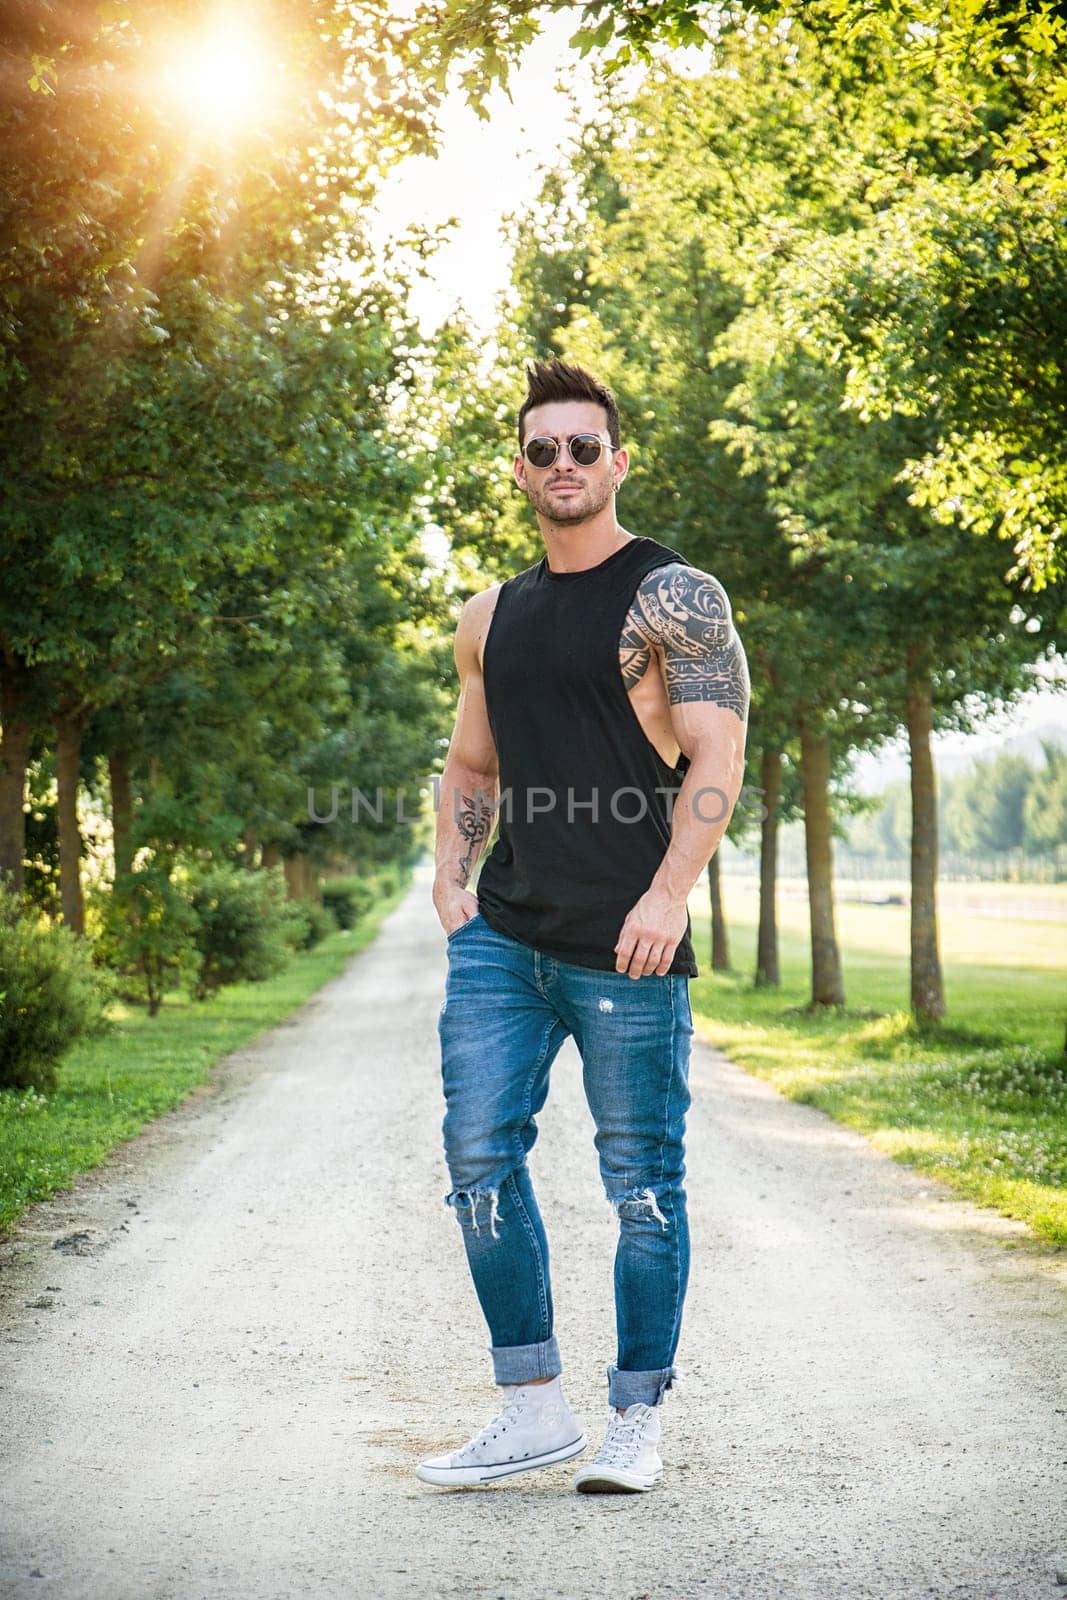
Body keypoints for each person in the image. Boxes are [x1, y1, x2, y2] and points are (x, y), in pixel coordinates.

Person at [418, 358, 749, 1494]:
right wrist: (451, 877)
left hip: (628, 942)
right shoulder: (488, 615)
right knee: (474, 1159)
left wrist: (668, 895)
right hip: (502, 938)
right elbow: (470, 761)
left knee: (641, 1182)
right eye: (541, 449)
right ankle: (529, 1407)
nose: (563, 464)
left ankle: (633, 1420)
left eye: (582, 446)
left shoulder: (675, 595)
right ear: (519, 470)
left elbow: (717, 753)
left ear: (617, 460)